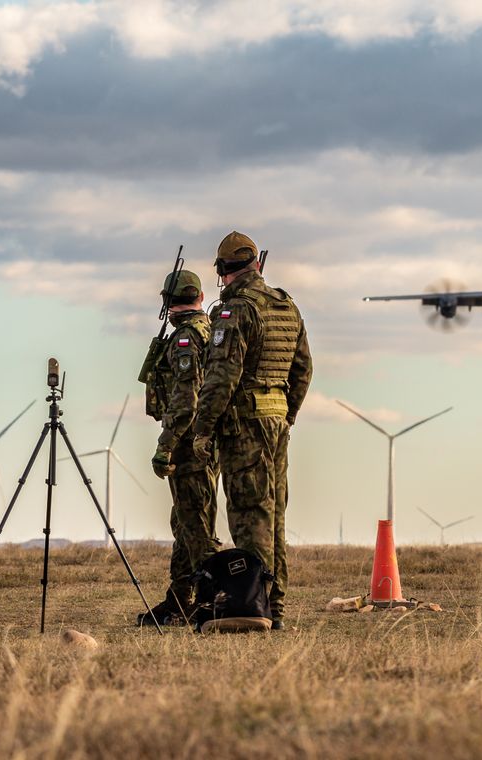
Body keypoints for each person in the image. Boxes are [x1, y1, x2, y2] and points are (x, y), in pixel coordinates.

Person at [191, 231, 312, 631]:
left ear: (224, 270)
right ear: (256, 263)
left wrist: (203, 428)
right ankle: (275, 607)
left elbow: (221, 377)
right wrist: (287, 414)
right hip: (277, 423)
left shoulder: (236, 311)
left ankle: (253, 605)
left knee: (250, 516)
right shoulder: (286, 305)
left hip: (245, 426)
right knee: (275, 516)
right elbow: (303, 369)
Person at [137, 269, 221, 626]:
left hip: (191, 442)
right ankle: (179, 599)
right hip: (206, 439)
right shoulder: (210, 332)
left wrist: (165, 445)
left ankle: (209, 603)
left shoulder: (186, 339)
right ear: (199, 297)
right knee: (186, 522)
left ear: (168, 302)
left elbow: (186, 398)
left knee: (197, 527)